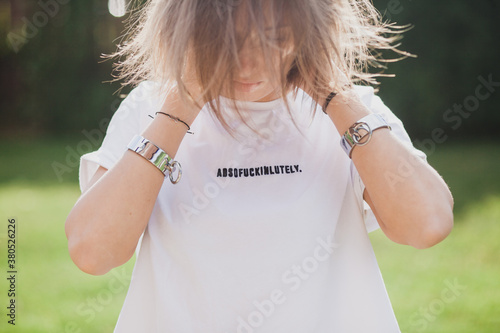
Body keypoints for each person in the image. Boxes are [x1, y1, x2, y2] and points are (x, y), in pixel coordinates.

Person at [65, 0, 454, 332]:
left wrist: (335, 94)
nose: (247, 62)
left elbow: (426, 225)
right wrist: (180, 105)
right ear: (186, 31)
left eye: (275, 37)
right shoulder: (150, 107)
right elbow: (92, 252)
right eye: (225, 40)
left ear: (310, 30)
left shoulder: (354, 110)